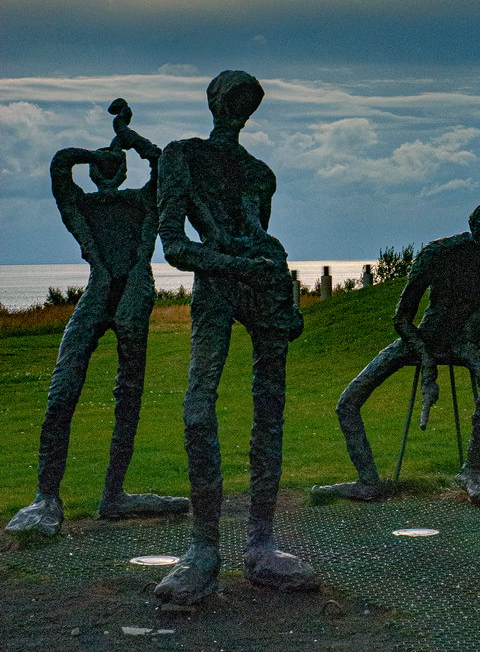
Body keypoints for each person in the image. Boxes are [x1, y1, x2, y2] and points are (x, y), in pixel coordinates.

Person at [154, 71, 316, 604]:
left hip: (262, 286)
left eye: (248, 103)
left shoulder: (260, 173)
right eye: (231, 100)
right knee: (199, 406)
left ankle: (261, 544)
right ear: (213, 101)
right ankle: (203, 548)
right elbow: (175, 247)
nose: (238, 110)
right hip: (220, 289)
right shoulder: (182, 156)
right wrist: (234, 264)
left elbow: (262, 238)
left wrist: (280, 287)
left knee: (270, 410)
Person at [6, 100, 187, 539]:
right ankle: (46, 496)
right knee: (63, 386)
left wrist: (125, 135)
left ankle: (114, 494)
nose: (109, 169)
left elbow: (162, 164)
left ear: (124, 171)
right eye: (103, 166)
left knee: (129, 389)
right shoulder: (83, 207)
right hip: (99, 291)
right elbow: (59, 165)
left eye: (115, 164)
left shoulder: (142, 202)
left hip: (134, 294)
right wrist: (98, 151)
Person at [313, 203, 480, 505]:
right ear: (474, 229)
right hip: (425, 337)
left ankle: (472, 472)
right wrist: (424, 356)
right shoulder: (436, 253)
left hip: (468, 342)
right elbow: (402, 317)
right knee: (348, 402)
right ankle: (367, 480)